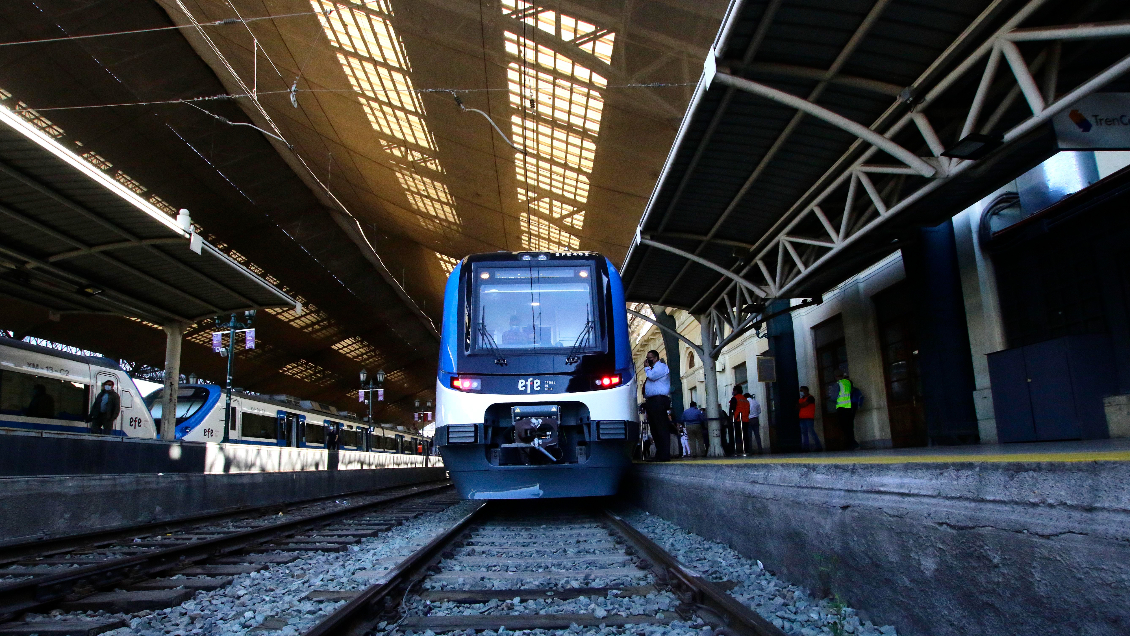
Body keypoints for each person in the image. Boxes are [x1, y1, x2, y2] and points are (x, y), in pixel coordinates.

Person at [641, 349, 672, 461]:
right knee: (654, 429)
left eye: (650, 358)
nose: (648, 360)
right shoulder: (653, 369)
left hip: (659, 400)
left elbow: (652, 377)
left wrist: (646, 368)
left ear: (656, 358)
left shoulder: (661, 367)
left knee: (661, 427)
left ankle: (665, 454)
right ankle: (659, 453)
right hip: (652, 401)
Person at [835, 370, 859, 450]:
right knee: (849, 426)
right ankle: (852, 443)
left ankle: (851, 443)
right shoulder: (849, 382)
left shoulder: (838, 384)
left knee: (844, 427)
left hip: (841, 407)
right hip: (850, 407)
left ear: (836, 377)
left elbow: (834, 396)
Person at [727, 386, 749, 456]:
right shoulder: (745, 399)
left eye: (733, 391)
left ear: (736, 391)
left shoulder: (735, 398)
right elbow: (748, 410)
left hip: (737, 420)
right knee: (744, 436)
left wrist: (731, 419)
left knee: (734, 436)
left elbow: (732, 409)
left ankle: (735, 451)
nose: (733, 392)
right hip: (745, 420)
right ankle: (746, 450)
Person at [798, 385, 821, 451]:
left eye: (802, 390)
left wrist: (800, 405)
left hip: (809, 418)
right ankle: (806, 448)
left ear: (806, 390)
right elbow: (798, 406)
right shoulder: (801, 399)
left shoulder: (811, 398)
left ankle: (819, 447)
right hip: (802, 418)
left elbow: (804, 405)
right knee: (804, 433)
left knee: (811, 432)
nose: (801, 391)